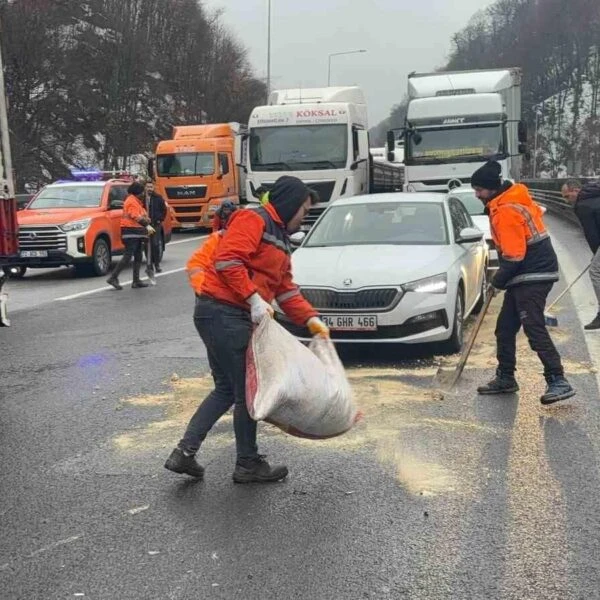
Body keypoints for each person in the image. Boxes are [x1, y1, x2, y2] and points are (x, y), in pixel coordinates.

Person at [164, 175, 330, 483]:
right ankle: (247, 463)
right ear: (291, 204)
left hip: (223, 315)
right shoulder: (254, 219)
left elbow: (285, 290)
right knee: (247, 393)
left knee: (228, 389)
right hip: (224, 313)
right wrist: (253, 298)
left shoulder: (280, 237)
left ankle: (184, 454)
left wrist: (310, 319)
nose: (304, 217)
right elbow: (228, 261)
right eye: (303, 210)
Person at [471, 161, 575, 405]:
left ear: (490, 188)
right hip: (525, 273)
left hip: (533, 274)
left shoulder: (506, 210)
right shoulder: (505, 202)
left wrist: (497, 282)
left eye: (479, 190)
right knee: (505, 327)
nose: (477, 194)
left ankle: (558, 380)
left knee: (533, 326)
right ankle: (506, 377)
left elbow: (514, 256)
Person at [561, 178, 600, 329]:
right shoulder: (594, 194)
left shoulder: (582, 205)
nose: (566, 201)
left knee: (595, 271)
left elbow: (592, 235)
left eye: (567, 196)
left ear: (576, 191)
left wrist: (595, 255)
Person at [106, 181, 155, 290]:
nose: (143, 193)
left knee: (138, 255)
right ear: (138, 192)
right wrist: (147, 225)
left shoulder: (137, 202)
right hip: (131, 232)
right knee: (128, 256)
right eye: (142, 191)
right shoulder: (132, 202)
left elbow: (141, 215)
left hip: (136, 232)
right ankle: (113, 277)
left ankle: (136, 281)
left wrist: (146, 219)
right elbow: (135, 216)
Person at [144, 180, 167, 273]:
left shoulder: (158, 198)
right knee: (146, 245)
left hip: (155, 225)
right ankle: (149, 265)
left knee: (155, 244)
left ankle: (156, 264)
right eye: (148, 187)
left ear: (153, 188)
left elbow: (164, 210)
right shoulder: (142, 198)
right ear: (145, 188)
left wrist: (159, 219)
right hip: (145, 225)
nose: (149, 189)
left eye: (151, 187)